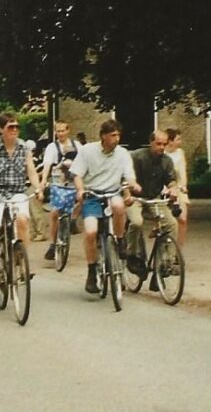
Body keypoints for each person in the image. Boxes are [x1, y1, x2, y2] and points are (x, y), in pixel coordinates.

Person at [69, 119, 139, 294]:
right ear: (103, 136)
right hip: (92, 195)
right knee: (91, 232)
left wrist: (133, 184)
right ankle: (92, 271)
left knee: (118, 206)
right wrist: (80, 190)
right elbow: (77, 174)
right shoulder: (87, 151)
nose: (116, 139)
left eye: (118, 135)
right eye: (113, 135)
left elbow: (129, 176)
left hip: (112, 192)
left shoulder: (123, 153)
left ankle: (120, 240)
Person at [0, 112, 43, 295]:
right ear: (1, 130)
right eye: (10, 127)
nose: (14, 130)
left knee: (22, 220)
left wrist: (38, 188)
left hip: (16, 193)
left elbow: (30, 171)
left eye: (16, 127)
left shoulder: (24, 148)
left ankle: (23, 262)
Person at [125, 130, 179, 276]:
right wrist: (128, 194)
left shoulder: (166, 160)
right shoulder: (137, 157)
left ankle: (167, 261)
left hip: (154, 199)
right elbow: (125, 177)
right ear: (151, 142)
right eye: (158, 144)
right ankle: (131, 255)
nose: (162, 147)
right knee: (136, 222)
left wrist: (173, 189)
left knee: (172, 223)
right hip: (136, 198)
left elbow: (171, 179)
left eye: (164, 144)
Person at [39, 121, 81, 262]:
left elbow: (84, 162)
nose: (60, 134)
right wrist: (44, 180)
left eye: (63, 131)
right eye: (58, 131)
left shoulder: (77, 145)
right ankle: (52, 244)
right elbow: (47, 164)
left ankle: (73, 220)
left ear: (68, 130)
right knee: (55, 211)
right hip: (58, 182)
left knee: (83, 198)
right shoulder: (52, 147)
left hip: (73, 182)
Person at [165, 127, 190, 247]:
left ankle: (178, 251)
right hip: (164, 190)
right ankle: (164, 246)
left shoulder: (180, 153)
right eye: (178, 139)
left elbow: (182, 172)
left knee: (183, 219)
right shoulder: (162, 153)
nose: (180, 142)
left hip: (179, 190)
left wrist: (183, 186)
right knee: (166, 221)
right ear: (170, 141)